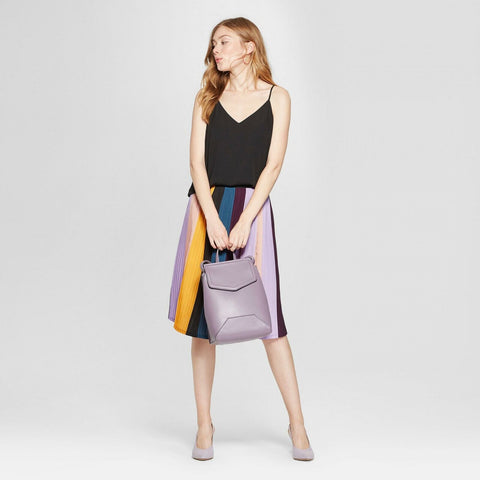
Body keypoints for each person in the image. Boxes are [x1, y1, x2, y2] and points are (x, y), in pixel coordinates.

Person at [167, 16, 314, 461]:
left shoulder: (277, 97)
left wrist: (247, 219)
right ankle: (204, 425)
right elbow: (196, 164)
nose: (216, 50)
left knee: (271, 322)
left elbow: (273, 165)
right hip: (206, 210)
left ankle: (297, 425)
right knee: (203, 323)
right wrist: (212, 218)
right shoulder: (206, 98)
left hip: (254, 212)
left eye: (224, 42)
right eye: (214, 43)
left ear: (249, 47)